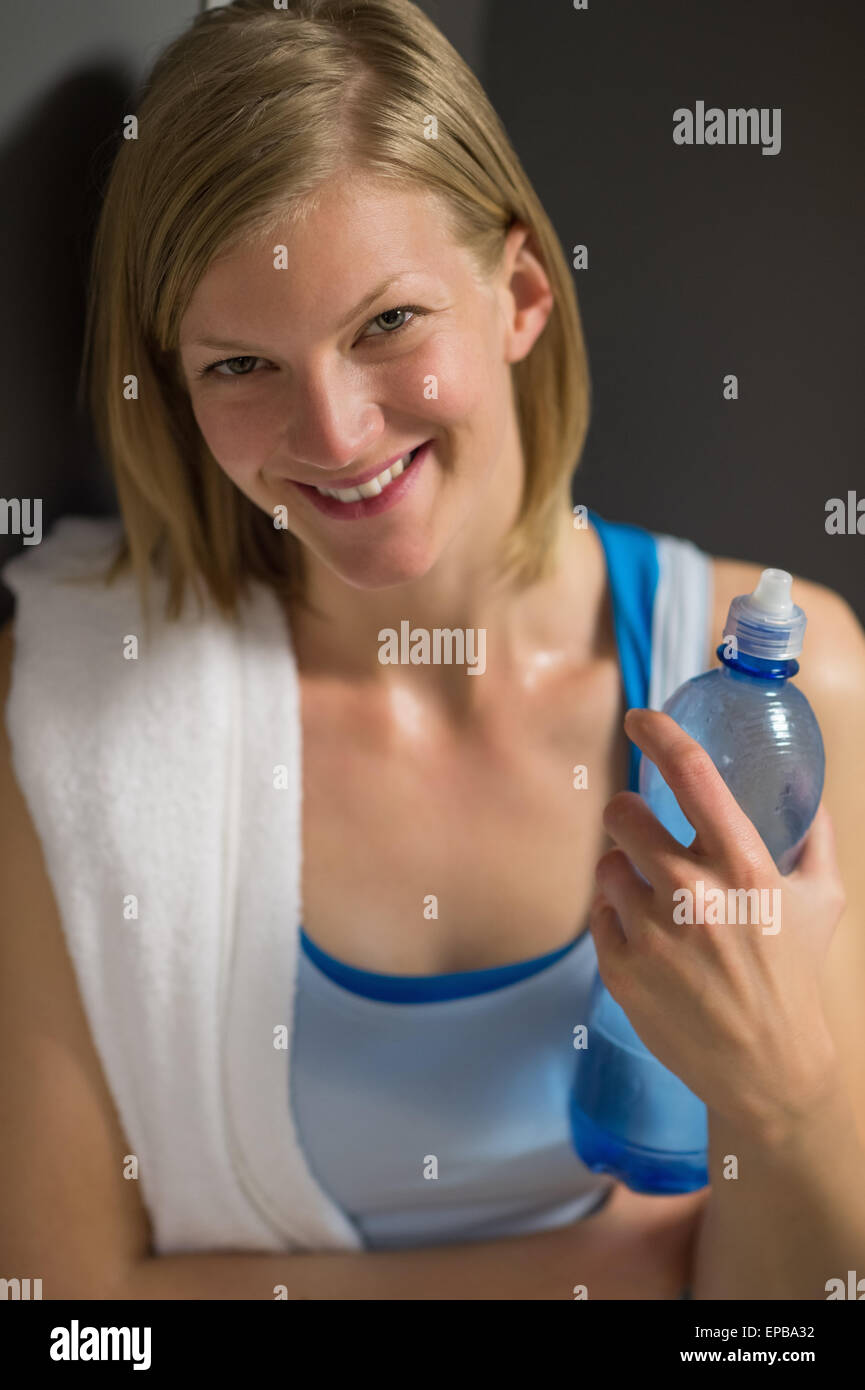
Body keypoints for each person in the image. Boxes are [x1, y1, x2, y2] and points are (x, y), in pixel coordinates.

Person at [2, 0, 864, 1301]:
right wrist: (624, 1268)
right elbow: (67, 1317)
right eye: (242, 361)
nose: (335, 433)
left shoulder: (800, 697)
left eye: (387, 324)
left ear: (520, 293)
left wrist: (791, 1102)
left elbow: (807, 1303)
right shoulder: (65, 722)